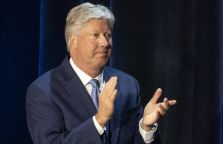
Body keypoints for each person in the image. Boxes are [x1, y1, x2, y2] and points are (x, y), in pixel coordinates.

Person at [26, 2, 176, 144]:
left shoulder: (128, 85)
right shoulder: (44, 91)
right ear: (73, 41)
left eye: (108, 35)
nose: (105, 43)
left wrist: (146, 128)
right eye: (95, 35)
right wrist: (98, 120)